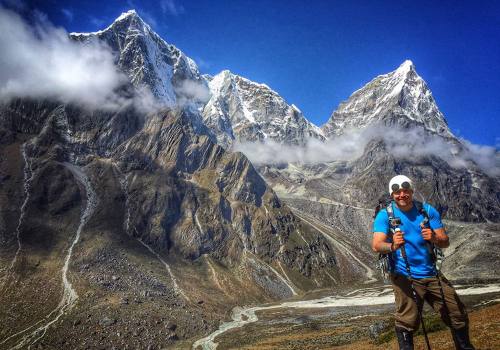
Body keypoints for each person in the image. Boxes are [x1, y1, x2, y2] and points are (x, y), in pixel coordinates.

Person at [372, 175, 474, 350]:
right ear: (392, 194)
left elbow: (445, 241)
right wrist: (393, 245)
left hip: (431, 272)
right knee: (407, 320)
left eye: (405, 191)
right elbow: (377, 245)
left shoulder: (426, 211)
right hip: (403, 275)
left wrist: (433, 237)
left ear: (412, 191)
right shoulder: (384, 215)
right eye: (397, 192)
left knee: (456, 312)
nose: (402, 195)